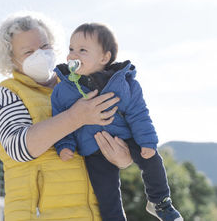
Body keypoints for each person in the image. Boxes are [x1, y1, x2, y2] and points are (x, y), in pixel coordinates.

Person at [0, 12, 133, 221]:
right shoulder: (8, 92)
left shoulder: (78, 88)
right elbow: (18, 148)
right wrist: (75, 117)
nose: (40, 55)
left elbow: (108, 137)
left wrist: (123, 158)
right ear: (11, 59)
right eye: (28, 51)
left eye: (44, 47)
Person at [51, 23, 184, 221]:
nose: (73, 55)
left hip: (126, 138)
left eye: (82, 50)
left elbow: (138, 114)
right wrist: (65, 145)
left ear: (104, 57)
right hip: (92, 150)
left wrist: (146, 142)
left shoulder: (124, 84)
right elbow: (60, 119)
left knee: (153, 160)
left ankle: (160, 202)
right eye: (71, 49)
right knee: (107, 195)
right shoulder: (63, 89)